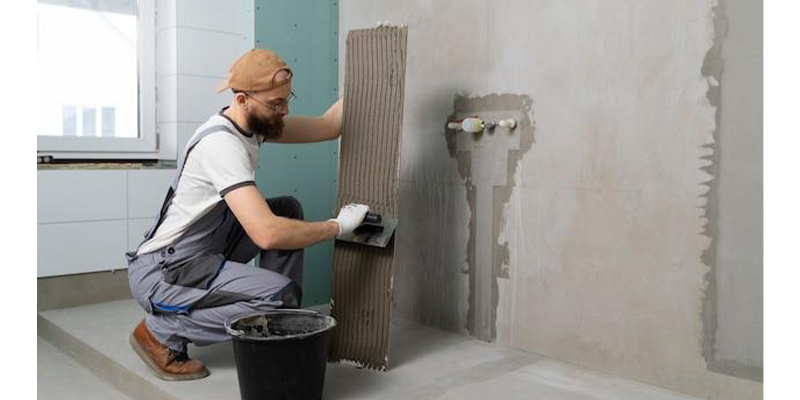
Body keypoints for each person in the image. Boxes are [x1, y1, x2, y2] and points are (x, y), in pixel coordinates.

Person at [125, 48, 368, 381]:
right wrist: (338, 226)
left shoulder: (254, 124)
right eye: (275, 104)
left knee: (286, 210)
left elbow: (328, 126)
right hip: (166, 271)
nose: (284, 111)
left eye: (286, 100)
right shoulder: (220, 144)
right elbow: (267, 234)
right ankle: (161, 331)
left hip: (203, 252)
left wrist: (364, 79)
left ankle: (279, 325)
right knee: (278, 295)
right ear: (241, 99)